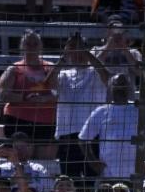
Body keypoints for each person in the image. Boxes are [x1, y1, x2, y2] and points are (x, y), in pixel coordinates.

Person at [45, 33, 112, 184]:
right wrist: (64, 57)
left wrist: (86, 53)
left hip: (92, 135)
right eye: (72, 51)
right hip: (67, 135)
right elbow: (47, 84)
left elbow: (109, 79)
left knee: (91, 181)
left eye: (79, 50)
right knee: (69, 182)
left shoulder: (95, 71)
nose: (77, 55)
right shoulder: (63, 74)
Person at [79, 73, 145, 179]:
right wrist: (93, 163)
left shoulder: (140, 110)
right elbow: (83, 139)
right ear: (110, 87)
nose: (120, 88)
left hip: (135, 176)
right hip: (108, 176)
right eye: (116, 84)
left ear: (129, 88)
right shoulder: (101, 111)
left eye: (123, 85)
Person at [0, 30, 57, 159]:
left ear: (40, 47)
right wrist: (24, 98)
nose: (31, 47)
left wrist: (43, 99)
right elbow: (3, 94)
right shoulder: (14, 69)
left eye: (35, 43)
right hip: (18, 121)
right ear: (22, 46)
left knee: (42, 162)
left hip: (45, 121)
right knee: (19, 160)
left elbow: (59, 94)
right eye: (28, 44)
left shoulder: (50, 69)